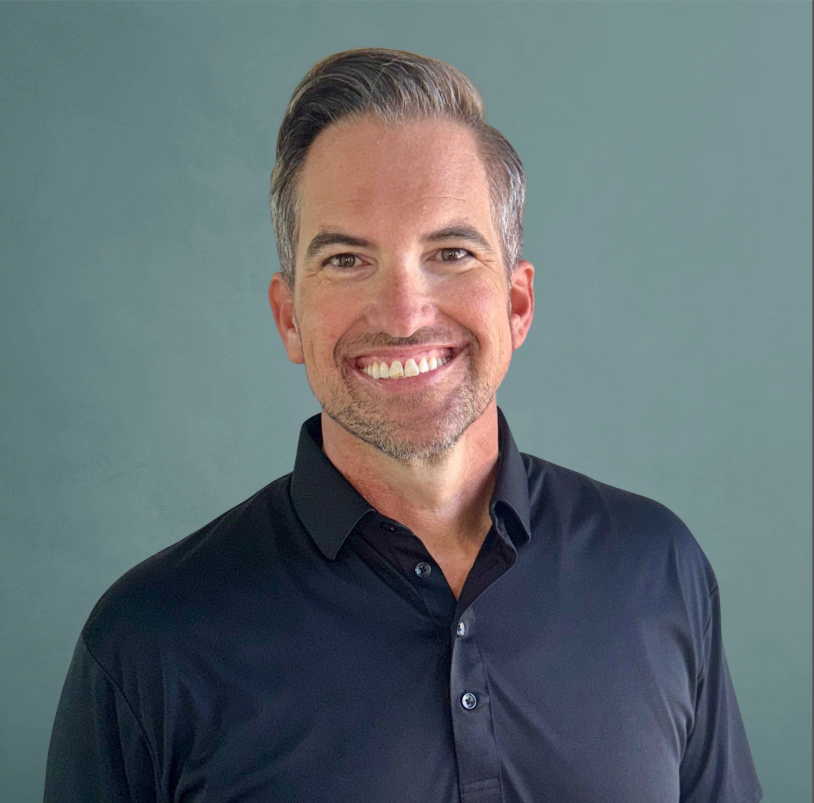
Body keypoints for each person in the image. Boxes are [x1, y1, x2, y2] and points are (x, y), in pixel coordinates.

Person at [44, 48, 763, 803]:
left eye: (451, 252)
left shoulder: (657, 570)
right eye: (346, 260)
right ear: (290, 319)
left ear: (517, 304)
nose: (404, 314)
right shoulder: (148, 643)